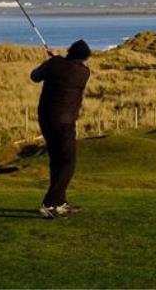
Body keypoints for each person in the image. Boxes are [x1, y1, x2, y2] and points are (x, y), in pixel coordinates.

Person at [30, 39, 91, 219]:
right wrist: (56, 59)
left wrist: (51, 60)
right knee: (68, 162)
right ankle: (50, 203)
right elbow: (68, 67)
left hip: (46, 118)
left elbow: (34, 76)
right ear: (84, 58)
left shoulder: (54, 64)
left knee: (56, 160)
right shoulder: (84, 72)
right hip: (64, 122)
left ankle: (59, 202)